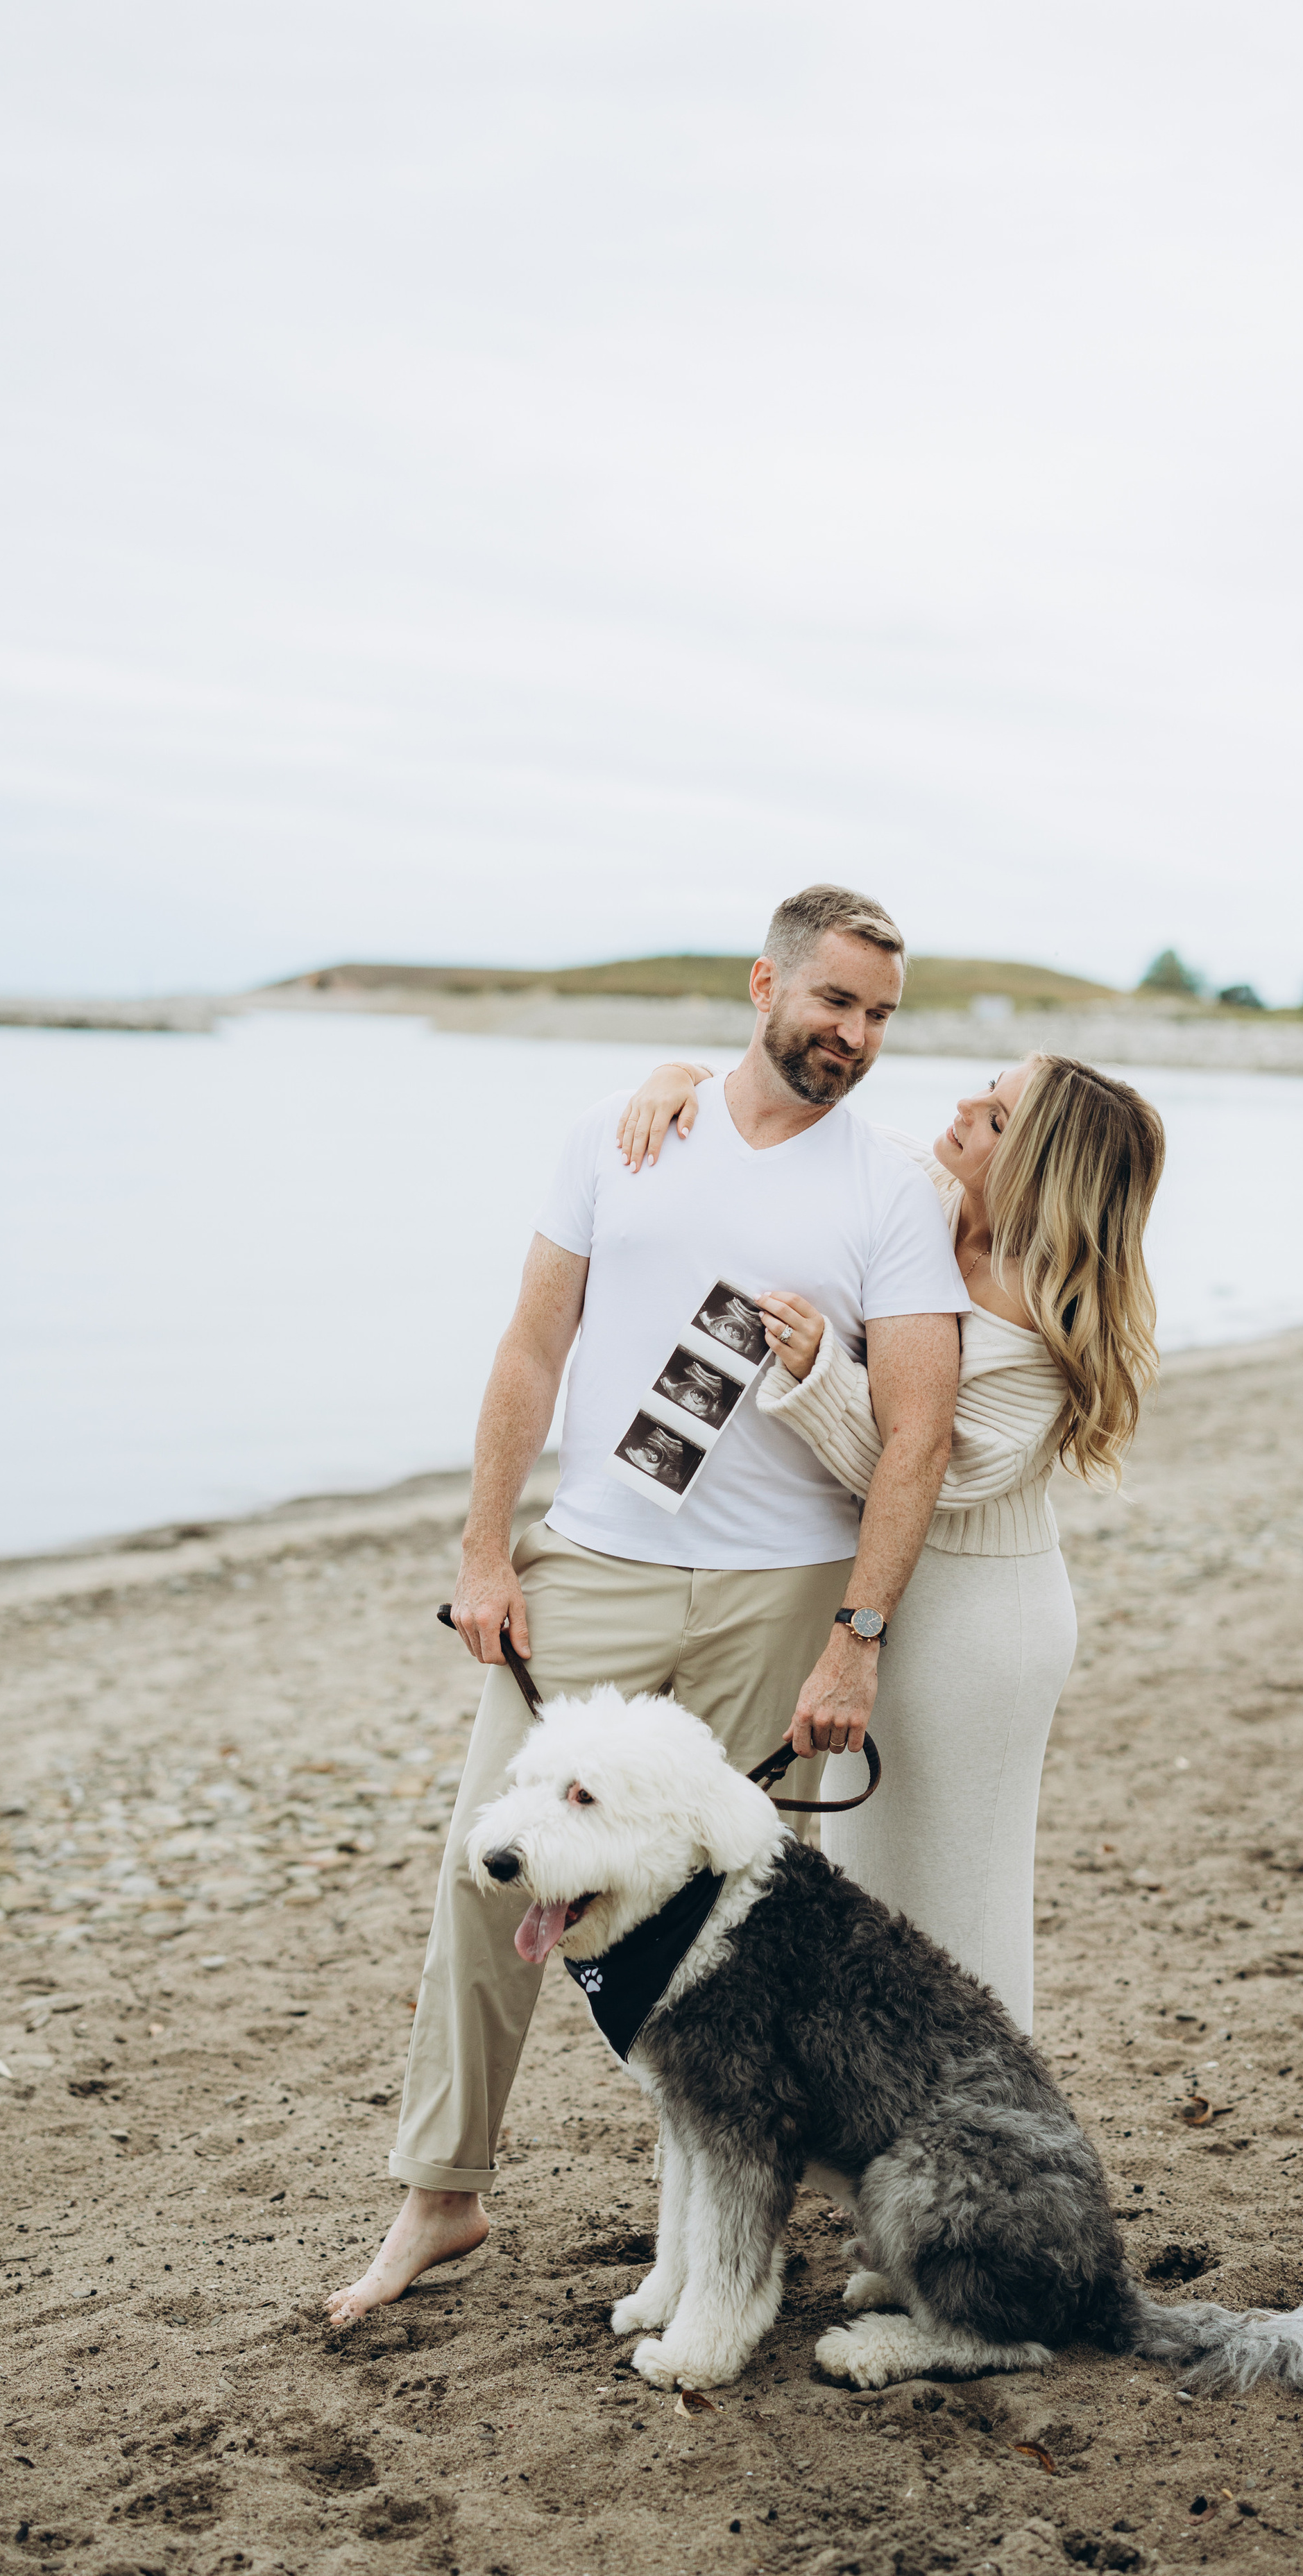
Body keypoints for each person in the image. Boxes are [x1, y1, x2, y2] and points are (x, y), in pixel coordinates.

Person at [326, 885, 971, 2326]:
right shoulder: (624, 1137)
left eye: (877, 1016)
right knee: (482, 1864)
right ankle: (442, 2194)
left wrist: (855, 1639)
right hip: (597, 1562)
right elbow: (530, 1344)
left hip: (781, 1591)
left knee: (719, 1922)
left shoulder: (890, 1190)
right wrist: (486, 1550)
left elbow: (917, 1433)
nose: (853, 1037)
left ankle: (710, 2225)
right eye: (833, 1003)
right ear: (765, 985)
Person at [612, 1049, 1165, 2034]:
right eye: (985, 1091)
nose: (963, 1107)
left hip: (975, 1620)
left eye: (994, 1115)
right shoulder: (920, 1185)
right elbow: (780, 1109)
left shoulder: (1045, 1314)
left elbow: (931, 1480)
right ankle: (872, 2133)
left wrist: (820, 1374)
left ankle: (987, 2137)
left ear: (1039, 1160)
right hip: (870, 1589)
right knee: (859, 1886)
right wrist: (678, 1079)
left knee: (955, 1894)